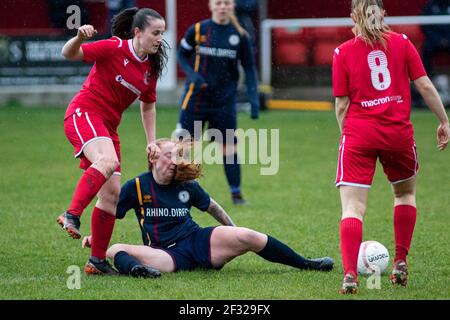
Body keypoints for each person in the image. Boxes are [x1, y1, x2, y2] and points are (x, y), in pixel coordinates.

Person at [81, 138, 334, 277]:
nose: (175, 160)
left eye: (178, 155)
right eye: (169, 155)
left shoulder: (186, 184)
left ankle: (307, 264)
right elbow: (110, 214)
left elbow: (213, 208)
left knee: (249, 236)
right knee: (115, 250)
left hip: (198, 241)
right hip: (164, 254)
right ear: (153, 157)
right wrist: (97, 239)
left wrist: (234, 231)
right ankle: (137, 271)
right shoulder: (137, 185)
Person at [332, 0, 449, 294]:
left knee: (354, 208)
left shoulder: (342, 52)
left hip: (360, 136)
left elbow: (342, 104)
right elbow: (424, 85)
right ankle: (400, 261)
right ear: (383, 13)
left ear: (352, 17)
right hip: (398, 135)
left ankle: (349, 275)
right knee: (405, 194)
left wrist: (347, 135)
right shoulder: (403, 43)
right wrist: (444, 121)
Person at [57, 7, 168, 275]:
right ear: (138, 32)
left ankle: (96, 261)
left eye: (162, 33)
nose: (159, 39)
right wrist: (80, 38)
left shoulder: (149, 69)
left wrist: (151, 141)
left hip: (108, 127)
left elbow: (148, 106)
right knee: (108, 160)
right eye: (155, 33)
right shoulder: (114, 47)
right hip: (84, 113)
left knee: (111, 195)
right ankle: (71, 214)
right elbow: (68, 53)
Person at [176, 0, 260, 205]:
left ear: (232, 6)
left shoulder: (240, 35)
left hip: (224, 102)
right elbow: (181, 54)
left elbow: (249, 68)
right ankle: (176, 191)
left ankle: (236, 194)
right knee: (185, 146)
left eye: (227, 3)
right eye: (219, 3)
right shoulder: (198, 29)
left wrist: (254, 99)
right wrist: (192, 75)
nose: (223, 7)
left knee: (228, 147)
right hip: (196, 99)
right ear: (211, 5)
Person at [421, 0, 450, 78]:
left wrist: (447, 39)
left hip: (448, 39)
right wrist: (438, 39)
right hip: (434, 40)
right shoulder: (430, 6)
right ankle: (428, 76)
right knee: (426, 48)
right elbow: (425, 26)